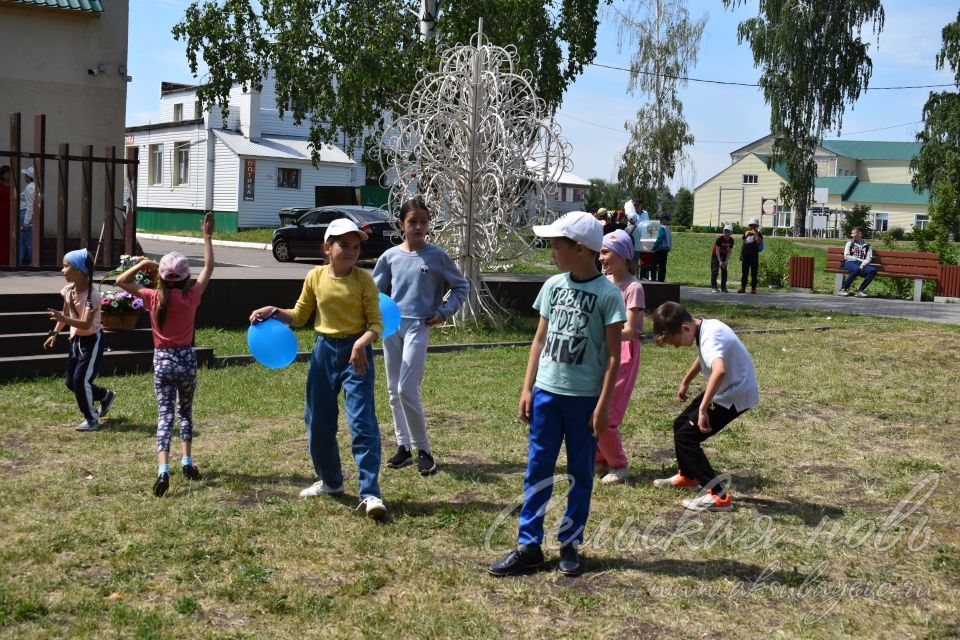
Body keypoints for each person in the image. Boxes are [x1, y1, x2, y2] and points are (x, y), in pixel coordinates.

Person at [489, 211, 625, 577]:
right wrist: (527, 387)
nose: (552, 251)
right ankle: (529, 545)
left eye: (556, 245)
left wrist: (602, 406)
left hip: (583, 402)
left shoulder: (608, 295)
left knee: (580, 473)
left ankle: (570, 544)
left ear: (579, 248)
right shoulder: (552, 287)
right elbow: (539, 340)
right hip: (547, 394)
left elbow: (614, 356)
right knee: (538, 468)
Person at [250, 218, 387, 519]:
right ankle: (331, 481)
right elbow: (299, 316)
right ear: (327, 248)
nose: (351, 251)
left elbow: (377, 324)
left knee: (362, 422)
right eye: (344, 245)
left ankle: (370, 494)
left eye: (355, 246)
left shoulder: (364, 280)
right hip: (324, 352)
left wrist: (361, 343)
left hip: (357, 355)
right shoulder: (315, 277)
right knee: (318, 423)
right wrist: (272, 311)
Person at [116, 213, 215, 497]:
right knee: (185, 412)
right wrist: (206, 236)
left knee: (164, 416)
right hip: (186, 360)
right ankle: (187, 461)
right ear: (185, 279)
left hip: (162, 361)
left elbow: (122, 281)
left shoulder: (152, 297)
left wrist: (145, 263)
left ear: (160, 277)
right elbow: (209, 267)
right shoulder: (191, 296)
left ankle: (163, 470)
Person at [373, 196, 469, 476]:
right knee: (393, 389)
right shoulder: (389, 257)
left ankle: (424, 450)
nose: (418, 226)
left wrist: (444, 311)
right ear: (401, 224)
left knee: (406, 387)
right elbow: (373, 293)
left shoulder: (437, 256)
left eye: (423, 221)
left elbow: (461, 287)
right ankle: (403, 448)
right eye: (412, 221)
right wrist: (375, 318)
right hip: (392, 327)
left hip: (419, 326)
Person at [650, 302, 759, 512]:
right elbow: (704, 359)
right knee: (680, 424)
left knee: (687, 437)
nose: (676, 346)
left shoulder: (709, 338)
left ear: (685, 328)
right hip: (728, 388)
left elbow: (719, 370)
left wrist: (703, 409)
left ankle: (719, 496)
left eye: (674, 342)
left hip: (734, 395)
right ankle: (688, 476)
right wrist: (686, 380)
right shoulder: (704, 327)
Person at [44, 248, 115, 432]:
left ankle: (92, 419)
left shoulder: (92, 295)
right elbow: (66, 314)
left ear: (79, 270)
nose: (62, 270)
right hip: (77, 342)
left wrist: (64, 320)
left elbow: (85, 324)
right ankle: (105, 396)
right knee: (71, 382)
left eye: (66, 266)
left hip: (92, 341)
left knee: (81, 380)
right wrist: (55, 333)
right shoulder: (68, 291)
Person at [595, 229, 644, 484]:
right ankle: (600, 459)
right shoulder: (603, 284)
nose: (601, 258)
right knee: (594, 405)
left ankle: (618, 465)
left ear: (623, 255)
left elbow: (630, 330)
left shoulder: (633, 288)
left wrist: (601, 332)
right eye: (600, 252)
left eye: (605, 252)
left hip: (623, 352)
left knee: (609, 411)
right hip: (602, 350)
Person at [838, 227, 877, 297]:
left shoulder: (868, 246)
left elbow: (868, 258)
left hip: (862, 264)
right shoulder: (849, 243)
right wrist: (858, 260)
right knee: (856, 269)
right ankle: (842, 289)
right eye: (852, 233)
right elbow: (846, 256)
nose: (851, 235)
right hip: (849, 262)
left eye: (853, 233)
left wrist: (862, 265)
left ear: (859, 234)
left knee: (872, 270)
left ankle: (860, 291)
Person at [738, 217, 763, 294]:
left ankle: (753, 288)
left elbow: (758, 242)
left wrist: (755, 234)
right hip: (746, 255)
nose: (752, 227)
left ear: (756, 226)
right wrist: (741, 254)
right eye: (751, 225)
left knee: (754, 272)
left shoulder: (759, 233)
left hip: (754, 256)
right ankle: (743, 288)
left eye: (754, 225)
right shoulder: (746, 233)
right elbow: (744, 243)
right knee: (744, 272)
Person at [711, 225, 735, 293]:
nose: (727, 233)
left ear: (731, 233)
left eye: (728, 232)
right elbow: (717, 250)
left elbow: (729, 251)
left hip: (724, 256)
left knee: (724, 271)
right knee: (715, 270)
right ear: (723, 231)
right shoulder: (719, 239)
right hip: (716, 255)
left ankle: (723, 287)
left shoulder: (731, 240)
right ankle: (714, 286)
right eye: (725, 231)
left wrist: (726, 261)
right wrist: (719, 261)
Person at [19, 166, 35, 265]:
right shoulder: (34, 186)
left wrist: (26, 221)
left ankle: (32, 261)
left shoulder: (30, 188)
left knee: (27, 240)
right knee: (25, 240)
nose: (24, 177)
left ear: (29, 176)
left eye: (26, 175)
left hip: (25, 214)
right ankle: (20, 260)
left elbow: (30, 206)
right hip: (26, 214)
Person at [650, 213, 672, 282]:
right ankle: (661, 279)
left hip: (660, 249)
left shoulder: (662, 228)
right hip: (666, 249)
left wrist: (654, 246)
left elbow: (660, 237)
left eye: (661, 219)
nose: (660, 220)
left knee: (653, 264)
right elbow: (670, 239)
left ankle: (653, 279)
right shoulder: (668, 228)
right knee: (663, 265)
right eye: (660, 219)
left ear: (665, 220)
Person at [0, 165, 11, 265]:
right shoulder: (1, 186)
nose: (9, 175)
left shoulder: (13, 185)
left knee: (9, 237)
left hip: (10, 214)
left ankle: (7, 260)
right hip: (1, 214)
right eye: (7, 173)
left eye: (10, 173)